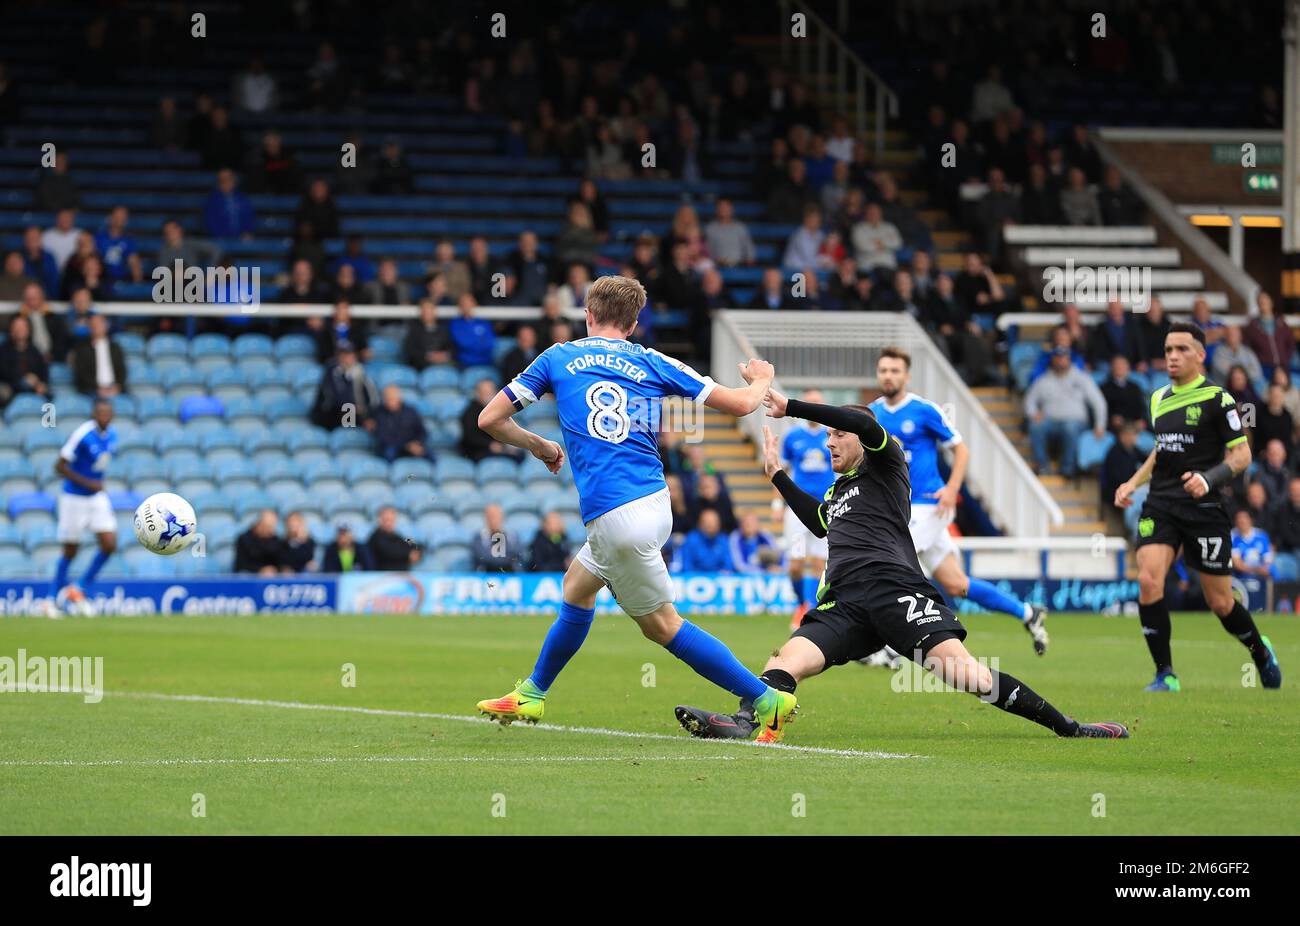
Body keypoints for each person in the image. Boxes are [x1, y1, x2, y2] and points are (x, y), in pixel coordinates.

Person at [674, 391, 1128, 743]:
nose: (829, 441)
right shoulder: (837, 493)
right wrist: (777, 476)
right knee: (785, 661)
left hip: (897, 592)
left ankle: (1069, 727)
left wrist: (790, 405)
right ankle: (741, 721)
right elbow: (818, 524)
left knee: (968, 677)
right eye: (828, 436)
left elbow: (855, 419)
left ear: (860, 437)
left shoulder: (887, 465)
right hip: (846, 604)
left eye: (836, 435)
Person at [473, 274, 798, 734]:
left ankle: (765, 699)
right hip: (652, 502)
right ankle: (532, 694)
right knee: (578, 587)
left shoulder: (557, 356)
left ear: (587, 315)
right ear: (633, 323)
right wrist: (763, 376)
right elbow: (745, 404)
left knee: (663, 627)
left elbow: (489, 418)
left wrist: (538, 446)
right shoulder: (653, 361)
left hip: (615, 515)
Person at [1115, 322, 1282, 691]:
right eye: (1169, 349)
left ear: (1201, 355)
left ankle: (1260, 650)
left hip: (1204, 508)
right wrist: (1132, 482)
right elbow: (1163, 449)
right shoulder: (1158, 398)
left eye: (1182, 349)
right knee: (1147, 579)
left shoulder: (1219, 399)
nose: (1172, 356)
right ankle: (1165, 674)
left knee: (1220, 602)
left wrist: (1209, 477)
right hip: (1161, 502)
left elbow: (1242, 454)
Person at [869, 348, 1049, 655]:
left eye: (895, 370)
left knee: (892, 562)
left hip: (930, 504)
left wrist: (952, 488)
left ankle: (887, 647)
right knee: (955, 584)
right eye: (884, 370)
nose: (888, 375)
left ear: (906, 376)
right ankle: (1028, 613)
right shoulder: (872, 412)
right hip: (896, 507)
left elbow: (961, 449)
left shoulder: (925, 410)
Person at [49, 399, 119, 614]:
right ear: (93, 414)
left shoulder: (113, 435)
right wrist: (88, 482)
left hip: (96, 498)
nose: (105, 417)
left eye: (108, 413)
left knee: (109, 544)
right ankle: (51, 599)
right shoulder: (83, 434)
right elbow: (59, 466)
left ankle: (79, 588)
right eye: (101, 413)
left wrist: (95, 484)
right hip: (74, 498)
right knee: (71, 551)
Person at [777, 390, 834, 627]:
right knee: (796, 563)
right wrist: (776, 503)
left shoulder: (832, 435)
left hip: (824, 508)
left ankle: (814, 609)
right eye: (810, 403)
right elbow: (782, 470)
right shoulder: (792, 437)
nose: (814, 408)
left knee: (821, 562)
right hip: (798, 511)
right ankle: (801, 604)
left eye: (818, 403)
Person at [1024, 346, 1107, 476]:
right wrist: (1033, 413)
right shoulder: (1043, 379)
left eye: (1064, 358)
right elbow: (1029, 400)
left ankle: (1068, 468)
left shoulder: (1082, 378)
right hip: (1050, 421)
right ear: (1053, 360)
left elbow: (1098, 402)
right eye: (1058, 358)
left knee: (1070, 428)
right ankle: (1042, 466)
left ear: (1069, 359)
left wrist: (1100, 425)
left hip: (1075, 421)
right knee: (1036, 426)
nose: (1061, 361)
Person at [309, 342, 379, 431]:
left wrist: (369, 416)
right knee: (346, 411)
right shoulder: (331, 372)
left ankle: (349, 437)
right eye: (342, 355)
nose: (346, 358)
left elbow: (372, 399)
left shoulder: (362, 373)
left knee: (353, 412)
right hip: (333, 413)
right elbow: (329, 397)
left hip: (354, 414)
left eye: (348, 354)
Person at [71, 313, 127, 397]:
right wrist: (97, 389)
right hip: (91, 390)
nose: (96, 327)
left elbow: (122, 370)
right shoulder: (81, 349)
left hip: (115, 389)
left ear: (106, 326)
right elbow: (81, 373)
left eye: (99, 324)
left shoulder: (115, 347)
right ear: (89, 328)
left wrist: (117, 386)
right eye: (93, 324)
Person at [0, 314, 51, 406]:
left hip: (34, 389)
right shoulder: (3, 350)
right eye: (17, 326)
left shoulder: (35, 350)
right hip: (11, 390)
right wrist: (24, 379)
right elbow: (4, 373)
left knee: (49, 395)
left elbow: (44, 371)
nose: (20, 329)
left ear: (28, 329)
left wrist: (40, 384)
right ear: (11, 330)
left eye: (23, 326)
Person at [372, 384, 428, 462]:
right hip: (392, 447)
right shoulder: (379, 413)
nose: (390, 401)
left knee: (431, 456)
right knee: (389, 453)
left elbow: (422, 431)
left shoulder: (411, 411)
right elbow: (382, 437)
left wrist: (417, 443)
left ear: (399, 397)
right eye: (388, 398)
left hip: (412, 446)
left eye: (392, 398)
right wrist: (406, 446)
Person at [404, 298, 452, 369]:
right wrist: (427, 356)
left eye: (429, 309)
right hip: (422, 366)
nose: (427, 312)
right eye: (424, 310)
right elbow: (410, 350)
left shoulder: (443, 330)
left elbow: (451, 347)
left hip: (442, 364)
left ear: (434, 311)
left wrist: (444, 355)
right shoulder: (414, 330)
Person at [471, 504, 521, 572]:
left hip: (509, 574)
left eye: (496, 516)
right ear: (485, 518)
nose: (493, 519)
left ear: (502, 517)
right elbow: (481, 557)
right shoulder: (479, 537)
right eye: (490, 516)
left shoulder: (512, 536)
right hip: (486, 575)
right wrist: (503, 559)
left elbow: (516, 554)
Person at [368, 506, 420, 570]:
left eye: (392, 520)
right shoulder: (376, 537)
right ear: (379, 520)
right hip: (384, 576)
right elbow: (389, 551)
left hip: (401, 575)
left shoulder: (398, 536)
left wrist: (417, 551)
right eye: (386, 520)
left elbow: (412, 543)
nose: (389, 523)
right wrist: (408, 554)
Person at [234, 509, 285, 575]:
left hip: (272, 576)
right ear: (259, 523)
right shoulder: (244, 539)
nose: (270, 529)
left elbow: (280, 562)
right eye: (267, 526)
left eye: (272, 526)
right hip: (250, 575)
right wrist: (260, 570)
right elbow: (240, 565)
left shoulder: (276, 540)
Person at [1231, 509, 1273, 582]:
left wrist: (1265, 568)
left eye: (1244, 518)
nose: (1242, 521)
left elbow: (1268, 558)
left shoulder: (1261, 535)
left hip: (1261, 570)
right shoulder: (1232, 536)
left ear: (1251, 520)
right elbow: (1237, 563)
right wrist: (1255, 570)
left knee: (1273, 571)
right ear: (1235, 522)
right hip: (1242, 573)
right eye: (1239, 518)